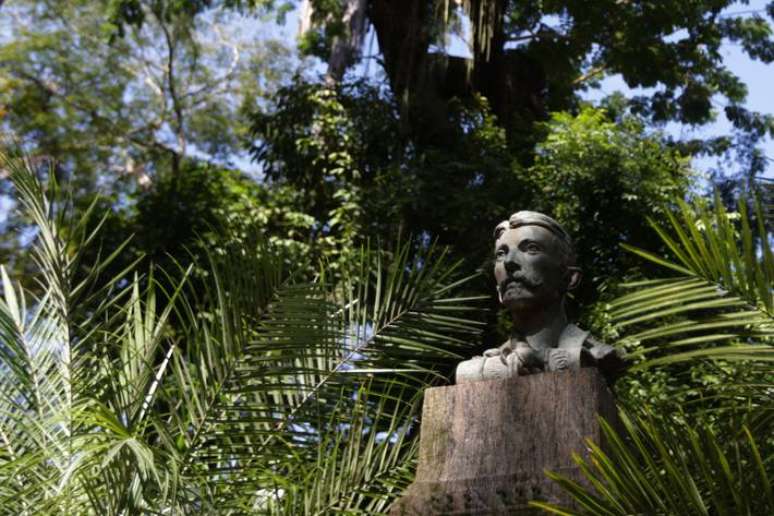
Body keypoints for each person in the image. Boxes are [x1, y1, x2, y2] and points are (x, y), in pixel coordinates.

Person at [455, 211, 625, 383]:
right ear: (498, 289)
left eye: (531, 249)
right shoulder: (479, 367)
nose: (509, 262)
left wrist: (542, 358)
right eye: (501, 254)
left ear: (569, 278)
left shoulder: (598, 356)